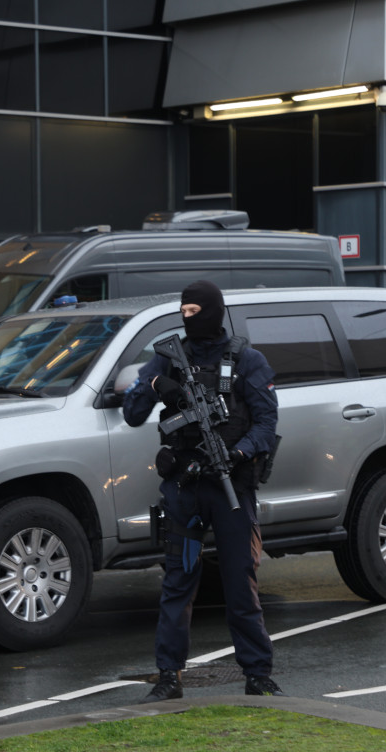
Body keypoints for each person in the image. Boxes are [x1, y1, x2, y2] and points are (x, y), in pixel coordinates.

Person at [123, 280, 284, 701]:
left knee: (240, 582)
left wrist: (239, 451)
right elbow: (132, 411)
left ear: (214, 311)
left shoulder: (247, 361)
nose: (188, 319)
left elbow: (267, 423)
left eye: (195, 311)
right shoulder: (168, 357)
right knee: (179, 582)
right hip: (186, 491)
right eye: (184, 312)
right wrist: (158, 386)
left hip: (231, 489)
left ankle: (257, 674)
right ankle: (168, 676)